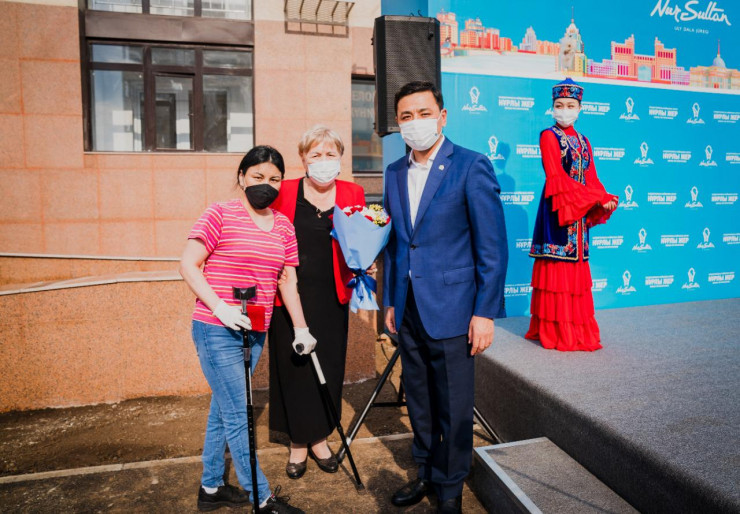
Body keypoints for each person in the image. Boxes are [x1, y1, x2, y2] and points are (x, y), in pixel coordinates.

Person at [382, 81, 508, 514]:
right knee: (418, 398)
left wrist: (485, 313)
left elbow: (492, 247)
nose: (415, 122)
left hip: (454, 309)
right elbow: (396, 245)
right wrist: (390, 300)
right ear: (397, 123)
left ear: (442, 116)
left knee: (454, 405)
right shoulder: (394, 172)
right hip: (408, 307)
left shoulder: (471, 165)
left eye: (423, 113)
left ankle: (451, 487)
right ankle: (425, 471)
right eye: (406, 116)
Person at [179, 145, 313, 513]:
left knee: (223, 409)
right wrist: (219, 306)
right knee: (239, 413)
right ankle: (262, 498)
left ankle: (211, 487)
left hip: (254, 330)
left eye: (274, 179)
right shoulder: (220, 213)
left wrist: (301, 329)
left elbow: (288, 282)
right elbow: (188, 264)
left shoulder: (283, 225)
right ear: (242, 177)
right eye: (258, 176)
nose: (266, 184)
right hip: (216, 328)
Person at [269, 125, 365, 479]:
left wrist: (367, 261)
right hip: (289, 294)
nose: (324, 161)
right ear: (303, 158)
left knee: (329, 365)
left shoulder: (353, 192)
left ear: (340, 158)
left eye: (330, 154)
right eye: (316, 154)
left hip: (332, 295)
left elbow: (361, 240)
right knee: (294, 368)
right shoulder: (285, 191)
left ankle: (320, 438)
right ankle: (298, 442)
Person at [525, 78, 618, 352]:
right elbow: (555, 176)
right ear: (552, 107)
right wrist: (593, 198)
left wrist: (604, 198)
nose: (564, 110)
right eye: (559, 105)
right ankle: (554, 331)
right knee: (557, 268)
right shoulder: (548, 136)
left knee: (576, 270)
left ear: (579, 108)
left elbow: (592, 178)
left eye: (570, 105)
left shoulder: (584, 141)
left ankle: (576, 329)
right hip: (557, 208)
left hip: (578, 215)